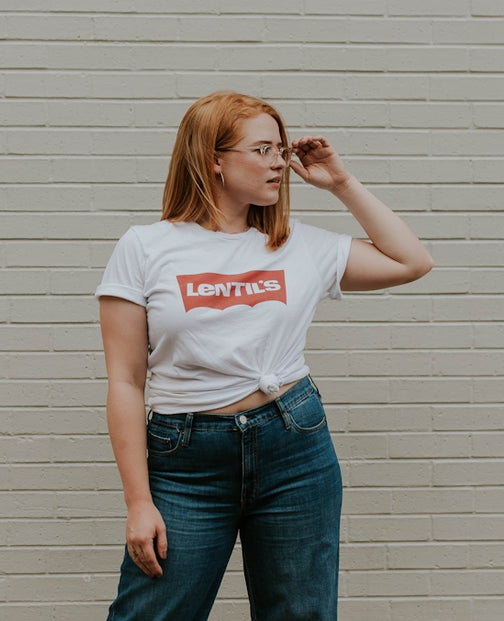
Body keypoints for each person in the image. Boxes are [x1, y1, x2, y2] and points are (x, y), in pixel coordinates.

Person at [97, 90, 434, 620]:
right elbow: (124, 381)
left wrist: (342, 183)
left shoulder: (299, 243)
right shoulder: (145, 248)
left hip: (293, 449)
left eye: (280, 148)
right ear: (213, 158)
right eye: (262, 150)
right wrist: (139, 502)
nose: (280, 161)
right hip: (187, 461)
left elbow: (411, 260)